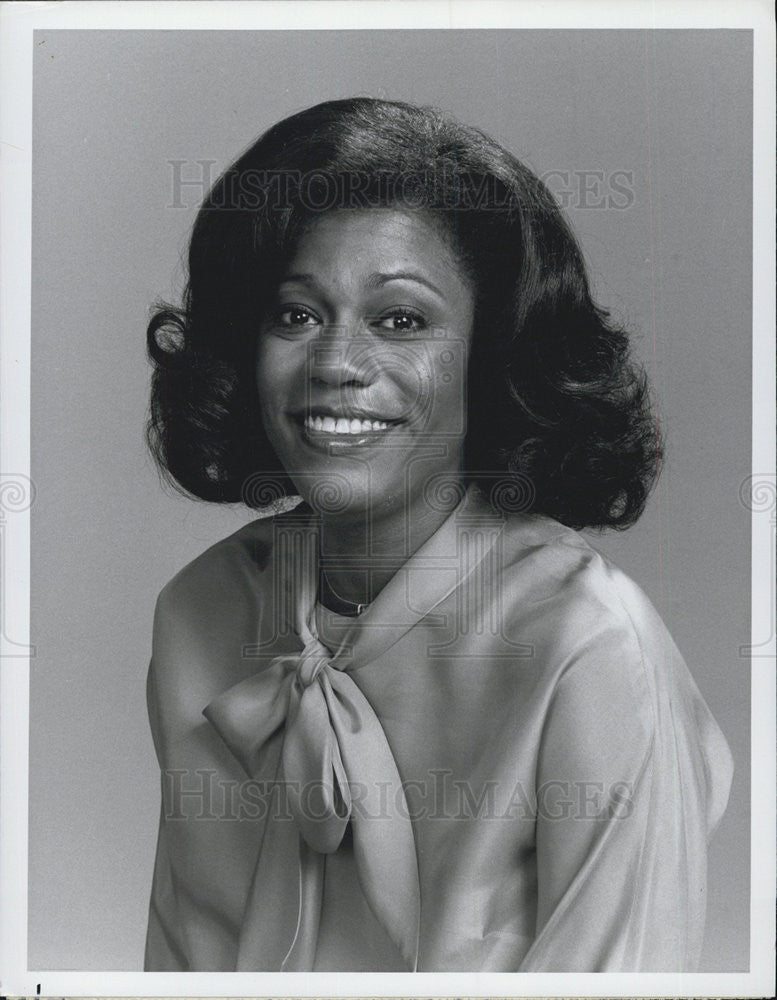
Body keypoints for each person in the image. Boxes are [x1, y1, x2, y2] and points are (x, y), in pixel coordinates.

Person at [143, 97, 733, 972]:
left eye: (401, 321)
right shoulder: (201, 612)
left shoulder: (592, 649)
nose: (337, 363)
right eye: (296, 315)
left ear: (489, 358)